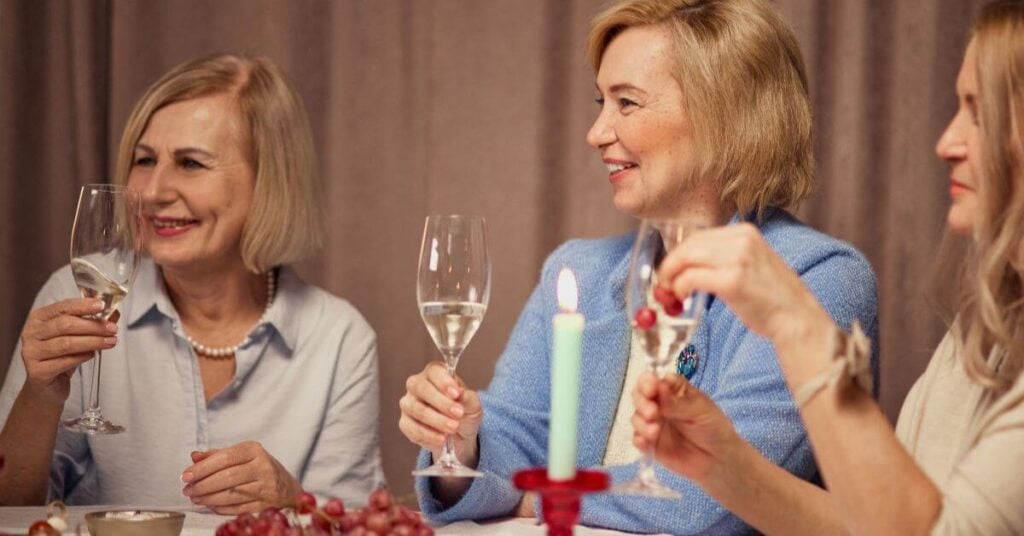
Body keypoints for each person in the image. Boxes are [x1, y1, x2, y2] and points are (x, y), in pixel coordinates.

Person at [399, 0, 879, 533]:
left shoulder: (817, 279)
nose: (596, 132)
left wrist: (544, 499)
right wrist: (463, 443)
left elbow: (718, 501)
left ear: (725, 113)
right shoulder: (576, 271)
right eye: (601, 101)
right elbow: (518, 439)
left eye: (626, 103)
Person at [633, 1, 1024, 534]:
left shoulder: (825, 272)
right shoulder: (985, 327)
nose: (947, 142)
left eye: (981, 115)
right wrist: (722, 465)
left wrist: (797, 323)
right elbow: (877, 523)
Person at [0, 54, 384, 512]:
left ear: (269, 182)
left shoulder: (339, 338)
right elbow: (10, 509)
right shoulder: (79, 295)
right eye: (144, 160)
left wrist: (292, 500)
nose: (154, 191)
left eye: (191, 164)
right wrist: (40, 395)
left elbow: (360, 524)